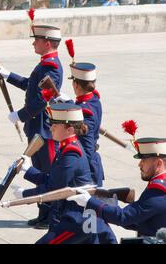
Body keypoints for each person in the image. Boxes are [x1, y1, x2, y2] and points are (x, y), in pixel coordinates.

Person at [0, 24, 63, 229]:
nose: (34, 42)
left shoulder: (51, 66)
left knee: (48, 174)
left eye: (37, 40)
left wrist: (21, 115)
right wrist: (9, 75)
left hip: (46, 130)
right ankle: (44, 214)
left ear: (47, 43)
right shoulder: (44, 64)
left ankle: (52, 216)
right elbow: (30, 85)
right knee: (40, 173)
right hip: (37, 128)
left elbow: (44, 98)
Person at [15, 103, 112, 244]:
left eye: (56, 125)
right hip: (71, 215)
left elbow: (54, 188)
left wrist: (25, 195)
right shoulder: (66, 147)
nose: (51, 127)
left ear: (70, 129)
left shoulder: (71, 153)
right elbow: (54, 179)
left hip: (77, 219)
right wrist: (28, 170)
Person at [69, 137, 166, 238]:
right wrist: (109, 208)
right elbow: (140, 220)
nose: (139, 164)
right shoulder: (160, 185)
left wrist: (89, 202)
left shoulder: (158, 192)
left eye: (144, 160)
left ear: (158, 163)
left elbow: (123, 217)